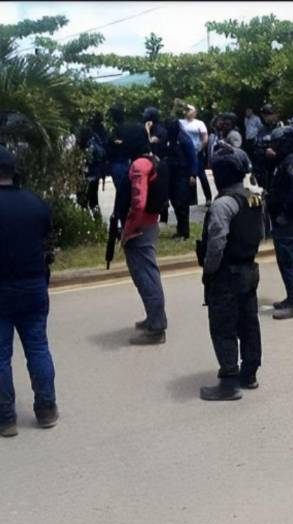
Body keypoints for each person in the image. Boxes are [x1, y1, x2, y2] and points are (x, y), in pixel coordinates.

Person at [0, 146, 58, 437]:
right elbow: (47, 238)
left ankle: (6, 418)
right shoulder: (35, 203)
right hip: (33, 286)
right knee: (38, 348)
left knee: (1, 357)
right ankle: (46, 409)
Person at [198, 144, 264, 401]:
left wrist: (209, 270)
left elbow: (217, 243)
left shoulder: (224, 204)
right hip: (249, 268)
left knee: (223, 326)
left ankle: (228, 383)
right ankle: (249, 374)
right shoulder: (253, 196)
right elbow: (260, 231)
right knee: (248, 323)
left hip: (227, 273)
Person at [121, 123, 169, 346]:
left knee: (146, 277)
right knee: (147, 275)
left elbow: (138, 203)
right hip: (150, 224)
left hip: (140, 229)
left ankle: (156, 328)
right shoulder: (154, 160)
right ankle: (153, 318)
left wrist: (128, 230)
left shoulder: (139, 165)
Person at [265, 126, 293, 320]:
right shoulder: (284, 161)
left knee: (290, 259)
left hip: (288, 220)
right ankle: (291, 298)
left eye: (278, 143)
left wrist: (285, 214)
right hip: (282, 218)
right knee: (285, 259)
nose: (275, 147)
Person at [165, 116, 199, 239]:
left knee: (182, 203)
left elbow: (193, 157)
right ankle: (180, 229)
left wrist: (193, 174)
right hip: (172, 173)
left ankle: (184, 232)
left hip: (183, 173)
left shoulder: (184, 139)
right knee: (174, 201)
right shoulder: (170, 138)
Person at [180, 104, 213, 206]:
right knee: (190, 176)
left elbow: (205, 138)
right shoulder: (180, 123)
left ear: (195, 112)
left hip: (197, 152)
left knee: (201, 175)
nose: (187, 111)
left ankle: (208, 197)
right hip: (185, 153)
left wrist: (200, 148)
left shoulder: (199, 123)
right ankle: (192, 200)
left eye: (190, 110)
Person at [106, 103, 133, 228]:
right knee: (123, 193)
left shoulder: (115, 130)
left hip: (118, 163)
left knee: (122, 193)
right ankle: (121, 220)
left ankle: (120, 219)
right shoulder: (126, 128)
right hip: (125, 162)